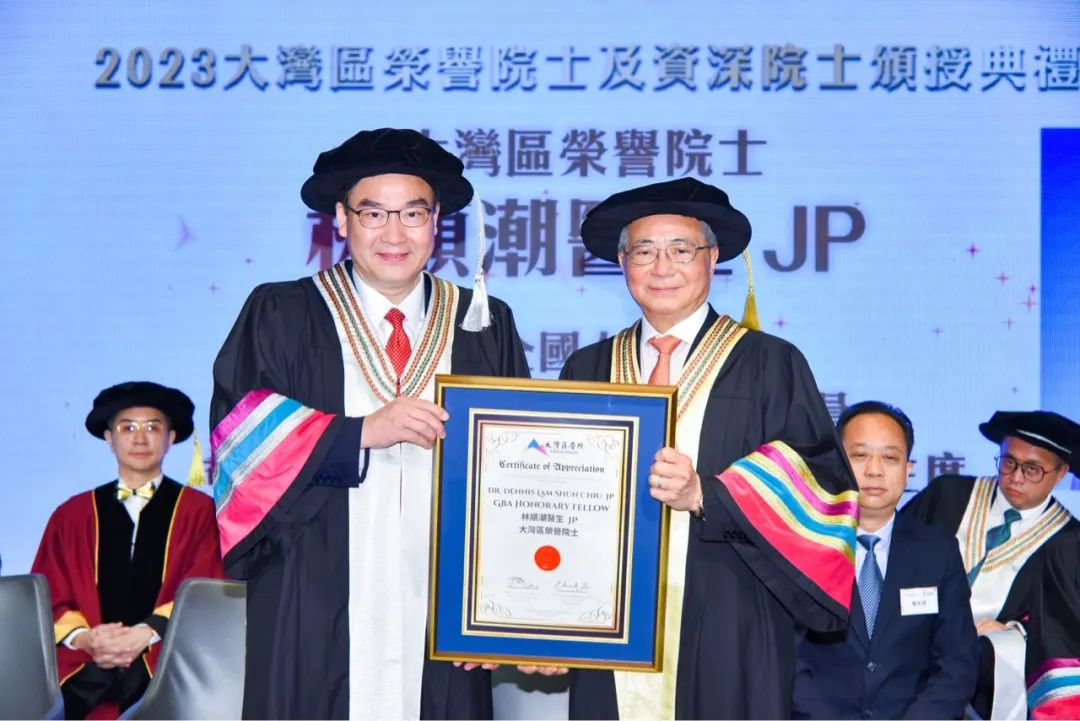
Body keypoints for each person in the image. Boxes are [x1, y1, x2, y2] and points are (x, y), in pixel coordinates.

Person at [211, 127, 530, 719]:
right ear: (341, 218)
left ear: (437, 220)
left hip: (443, 600)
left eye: (413, 213)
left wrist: (502, 605)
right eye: (373, 213)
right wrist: (357, 433)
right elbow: (240, 437)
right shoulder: (281, 311)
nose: (394, 233)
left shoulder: (484, 323)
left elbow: (517, 472)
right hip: (314, 583)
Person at [560, 177, 859, 719]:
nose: (662, 267)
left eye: (681, 250)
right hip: (607, 618)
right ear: (623, 262)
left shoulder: (770, 362)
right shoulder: (587, 368)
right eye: (644, 251)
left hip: (731, 613)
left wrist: (708, 494)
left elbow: (825, 488)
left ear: (713, 258)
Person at [32, 382, 223, 719]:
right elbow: (48, 592)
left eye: (153, 427)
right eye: (127, 428)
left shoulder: (200, 512)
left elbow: (208, 586)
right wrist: (86, 639)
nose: (140, 439)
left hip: (166, 659)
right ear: (109, 438)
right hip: (87, 667)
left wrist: (146, 633)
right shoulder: (72, 515)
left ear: (171, 437)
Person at [794, 401, 978, 719]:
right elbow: (784, 655)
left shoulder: (938, 551)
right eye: (860, 455)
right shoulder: (803, 545)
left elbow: (957, 661)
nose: (875, 470)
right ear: (836, 463)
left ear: (908, 469)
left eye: (890, 458)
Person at [903, 410, 1080, 718]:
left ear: (1061, 473)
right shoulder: (948, 494)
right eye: (1008, 462)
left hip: (982, 669)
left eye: (1032, 469)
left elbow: (1062, 624)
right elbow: (895, 551)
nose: (1016, 477)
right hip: (908, 634)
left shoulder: (1069, 542)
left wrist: (1019, 629)